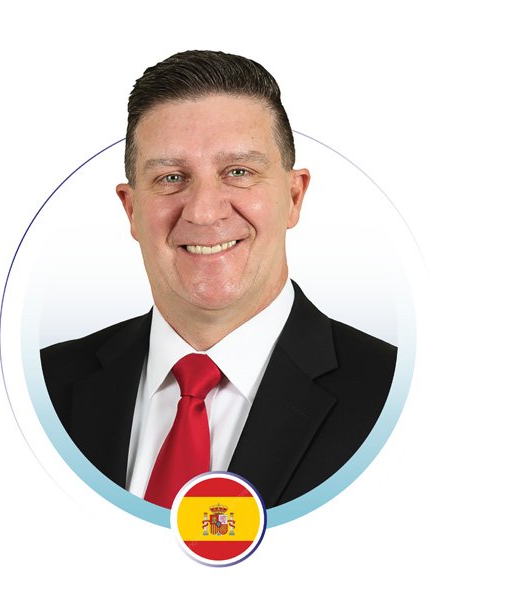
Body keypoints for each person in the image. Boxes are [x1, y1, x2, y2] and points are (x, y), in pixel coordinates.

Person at [41, 50, 397, 510]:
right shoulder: (42, 386)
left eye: (239, 172)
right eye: (171, 177)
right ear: (131, 210)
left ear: (294, 196)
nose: (204, 212)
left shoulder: (397, 395)